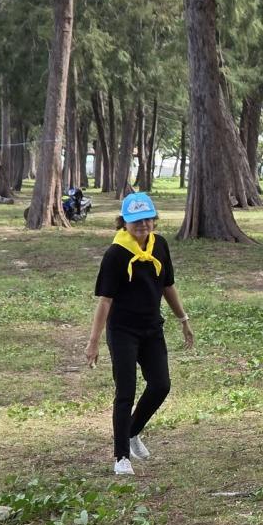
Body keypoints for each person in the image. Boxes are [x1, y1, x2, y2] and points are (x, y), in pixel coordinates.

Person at [86, 193, 194, 476]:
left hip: (151, 328)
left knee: (161, 385)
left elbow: (167, 285)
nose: (143, 225)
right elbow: (105, 301)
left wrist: (183, 318)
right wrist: (94, 341)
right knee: (126, 391)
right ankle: (121, 456)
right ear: (124, 222)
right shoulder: (116, 254)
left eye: (147, 219)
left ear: (154, 220)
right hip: (122, 331)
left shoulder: (160, 246)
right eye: (136, 221)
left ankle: (132, 432)